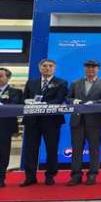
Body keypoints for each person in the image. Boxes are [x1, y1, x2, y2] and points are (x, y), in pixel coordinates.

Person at [21, 59, 68, 187]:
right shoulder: (31, 82)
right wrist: (27, 101)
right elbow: (24, 99)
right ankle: (30, 177)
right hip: (32, 120)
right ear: (39, 68)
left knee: (51, 149)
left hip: (51, 121)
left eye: (50, 66)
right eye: (44, 66)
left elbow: (59, 100)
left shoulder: (61, 82)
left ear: (54, 68)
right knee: (30, 149)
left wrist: (42, 105)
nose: (47, 68)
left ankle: (50, 176)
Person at [66, 60, 101, 186]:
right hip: (77, 121)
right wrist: (73, 101)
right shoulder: (75, 83)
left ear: (98, 69)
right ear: (84, 69)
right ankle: (76, 175)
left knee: (94, 149)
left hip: (95, 121)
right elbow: (68, 98)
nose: (90, 70)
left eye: (93, 68)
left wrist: (94, 103)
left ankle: (92, 175)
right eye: (88, 67)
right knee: (76, 149)